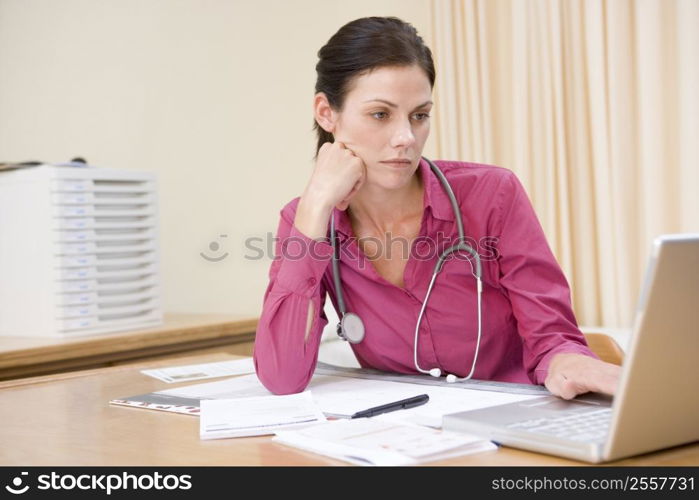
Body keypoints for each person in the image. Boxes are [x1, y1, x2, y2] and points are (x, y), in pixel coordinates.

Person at [253, 16, 620, 400]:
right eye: (380, 114)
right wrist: (314, 208)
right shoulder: (307, 220)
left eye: (419, 115)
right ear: (327, 113)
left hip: (508, 420)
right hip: (399, 437)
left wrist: (568, 362)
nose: (406, 138)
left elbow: (552, 338)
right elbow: (282, 377)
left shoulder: (492, 194)